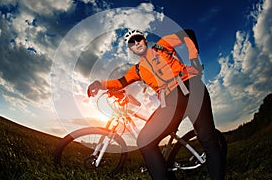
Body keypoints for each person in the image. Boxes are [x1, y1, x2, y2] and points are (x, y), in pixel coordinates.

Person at [87, 29, 226, 180]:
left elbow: (189, 33)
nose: (136, 43)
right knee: (145, 141)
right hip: (172, 101)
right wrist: (100, 84)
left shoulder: (162, 44)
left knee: (208, 140)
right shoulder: (138, 70)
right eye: (131, 43)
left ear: (144, 40)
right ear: (131, 49)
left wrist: (194, 59)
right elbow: (120, 82)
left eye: (138, 39)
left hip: (193, 87)